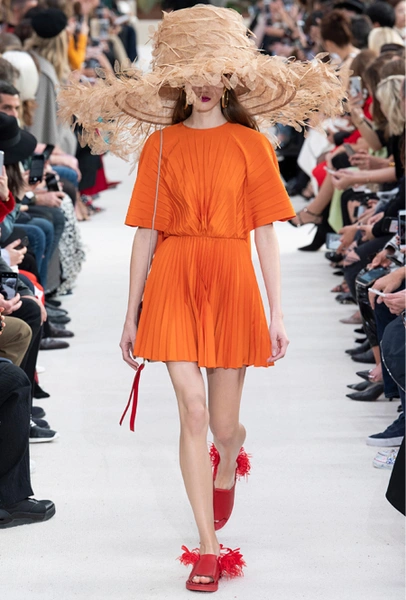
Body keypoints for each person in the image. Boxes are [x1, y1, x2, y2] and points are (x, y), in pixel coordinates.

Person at [59, 5, 344, 592]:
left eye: (216, 73)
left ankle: (230, 455)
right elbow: (145, 234)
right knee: (192, 411)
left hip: (231, 278)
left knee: (223, 424)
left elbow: (265, 232)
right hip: (174, 279)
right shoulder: (162, 146)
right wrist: (130, 314)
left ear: (231, 78)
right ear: (178, 81)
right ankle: (208, 549)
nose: (205, 84)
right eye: (193, 74)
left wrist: (277, 313)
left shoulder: (251, 145)